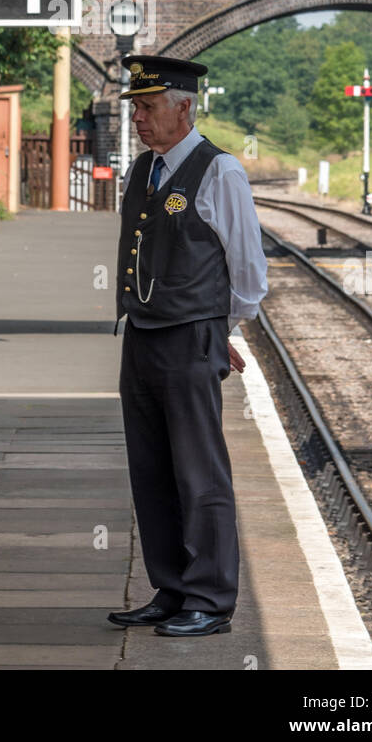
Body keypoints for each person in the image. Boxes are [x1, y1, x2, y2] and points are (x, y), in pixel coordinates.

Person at [107, 54, 268, 638]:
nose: (139, 121)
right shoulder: (143, 171)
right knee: (151, 467)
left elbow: (248, 269)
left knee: (200, 471)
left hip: (190, 336)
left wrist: (219, 330)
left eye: (148, 108)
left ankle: (210, 597)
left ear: (184, 106)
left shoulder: (219, 171)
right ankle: (171, 587)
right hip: (144, 334)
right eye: (136, 110)